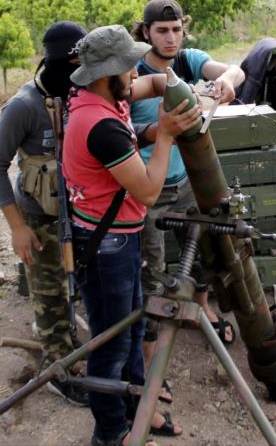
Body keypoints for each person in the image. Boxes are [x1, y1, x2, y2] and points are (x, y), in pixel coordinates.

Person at [64, 25, 200, 446]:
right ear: (109, 75)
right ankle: (112, 433)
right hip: (108, 249)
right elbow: (148, 189)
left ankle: (140, 409)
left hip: (119, 239)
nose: (135, 74)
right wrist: (166, 134)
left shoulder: (101, 95)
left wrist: (177, 89)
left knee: (133, 327)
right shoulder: (98, 124)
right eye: (128, 69)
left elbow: (156, 81)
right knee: (110, 345)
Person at [130, 0, 245, 393]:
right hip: (147, 187)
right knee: (151, 267)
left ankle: (204, 310)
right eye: (162, 30)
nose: (171, 37)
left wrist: (227, 82)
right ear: (146, 32)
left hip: (185, 182)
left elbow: (236, 70)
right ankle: (148, 358)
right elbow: (119, 129)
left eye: (177, 29)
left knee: (203, 248)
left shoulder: (189, 60)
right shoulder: (134, 72)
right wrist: (156, 131)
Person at [0, 21, 90, 406]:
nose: (79, 71)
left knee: (74, 286)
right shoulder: (24, 107)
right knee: (49, 296)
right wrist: (17, 228)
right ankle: (57, 366)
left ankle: (67, 339)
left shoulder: (83, 94)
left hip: (80, 211)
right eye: (73, 63)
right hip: (38, 217)